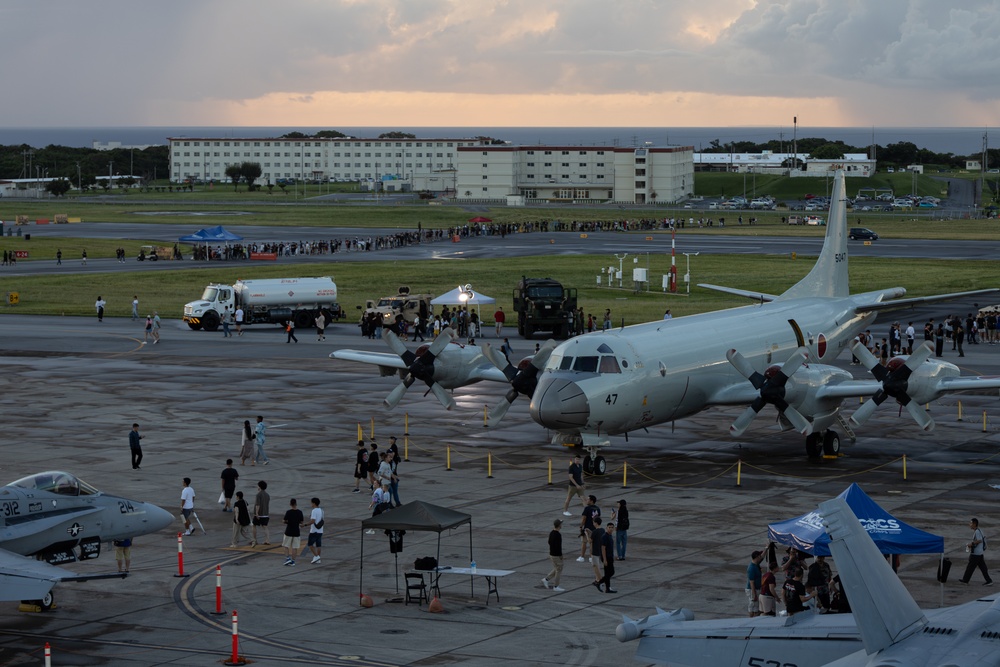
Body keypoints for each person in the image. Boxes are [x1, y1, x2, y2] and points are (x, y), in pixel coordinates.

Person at [960, 517, 993, 585]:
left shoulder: (977, 532)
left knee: (970, 567)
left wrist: (971, 544)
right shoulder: (980, 530)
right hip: (980, 553)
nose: (970, 524)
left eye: (971, 523)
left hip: (976, 554)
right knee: (983, 568)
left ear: (974, 524)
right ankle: (989, 581)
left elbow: (979, 540)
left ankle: (965, 580)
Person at [542, 518, 566, 592]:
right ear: (559, 526)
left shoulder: (552, 532)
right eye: (561, 524)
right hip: (556, 555)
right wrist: (561, 555)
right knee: (559, 570)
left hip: (551, 554)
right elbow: (559, 546)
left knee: (557, 568)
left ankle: (546, 579)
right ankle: (556, 586)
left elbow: (549, 542)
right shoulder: (558, 535)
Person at [281, 498, 304, 566]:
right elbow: (301, 522)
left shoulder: (288, 512)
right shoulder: (300, 512)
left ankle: (288, 558)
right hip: (296, 531)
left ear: (290, 504)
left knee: (286, 545)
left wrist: (285, 521)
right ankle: (293, 561)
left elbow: (284, 520)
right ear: (296, 504)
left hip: (289, 531)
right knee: (295, 547)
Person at [578, 495, 600, 562]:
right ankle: (591, 557)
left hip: (587, 528)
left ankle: (582, 556)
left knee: (584, 542)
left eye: (588, 499)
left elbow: (584, 518)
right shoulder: (597, 509)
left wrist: (581, 526)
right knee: (592, 543)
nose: (587, 500)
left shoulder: (587, 508)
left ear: (591, 501)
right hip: (595, 528)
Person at [250, 480, 270, 547]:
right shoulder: (267, 495)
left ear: (260, 486)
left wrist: (256, 513)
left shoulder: (258, 494)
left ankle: (255, 540)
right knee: (265, 527)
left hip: (259, 514)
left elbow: (257, 504)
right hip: (266, 513)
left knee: (254, 525)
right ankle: (267, 540)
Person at [304, 497, 324, 564]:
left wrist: (305, 525)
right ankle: (318, 559)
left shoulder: (314, 511)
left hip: (314, 530)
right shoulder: (321, 510)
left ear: (314, 503)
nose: (311, 504)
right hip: (320, 530)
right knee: (318, 545)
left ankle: (316, 556)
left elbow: (312, 521)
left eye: (311, 503)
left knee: (310, 544)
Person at [599, 522, 617, 594]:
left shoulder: (610, 536)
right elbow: (603, 548)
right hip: (606, 557)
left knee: (608, 573)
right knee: (611, 572)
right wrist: (605, 559)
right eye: (609, 527)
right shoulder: (605, 536)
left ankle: (607, 588)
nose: (611, 529)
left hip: (610, 556)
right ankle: (599, 582)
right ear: (606, 528)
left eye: (612, 527)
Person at [746, 550, 764, 617]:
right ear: (757, 557)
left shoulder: (756, 564)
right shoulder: (752, 568)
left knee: (755, 607)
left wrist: (766, 548)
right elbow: (751, 582)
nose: (760, 557)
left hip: (756, 588)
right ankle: (752, 619)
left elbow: (763, 557)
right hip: (752, 589)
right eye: (759, 556)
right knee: (753, 607)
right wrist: (754, 594)